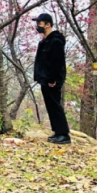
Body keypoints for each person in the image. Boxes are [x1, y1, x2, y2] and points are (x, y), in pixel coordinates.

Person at [32, 13, 70, 144]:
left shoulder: (55, 41)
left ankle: (64, 134)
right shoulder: (45, 41)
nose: (37, 26)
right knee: (50, 106)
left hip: (52, 80)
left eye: (40, 23)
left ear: (48, 24)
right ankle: (57, 132)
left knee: (55, 105)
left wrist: (52, 79)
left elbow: (57, 62)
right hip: (45, 78)